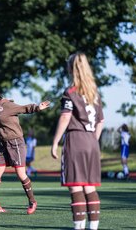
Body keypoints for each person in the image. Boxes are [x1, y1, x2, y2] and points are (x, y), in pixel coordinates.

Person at [51, 52, 104, 230]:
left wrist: (55, 142)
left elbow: (65, 118)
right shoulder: (94, 93)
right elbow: (101, 121)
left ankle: (78, 227)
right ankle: (93, 227)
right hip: (92, 141)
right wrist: (93, 140)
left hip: (76, 139)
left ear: (71, 69)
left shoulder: (70, 92)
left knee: (75, 186)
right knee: (90, 187)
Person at [0, 91, 50, 214]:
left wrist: (38, 107)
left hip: (15, 143)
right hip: (3, 144)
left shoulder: (7, 106)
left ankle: (32, 201)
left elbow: (23, 109)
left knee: (21, 174)